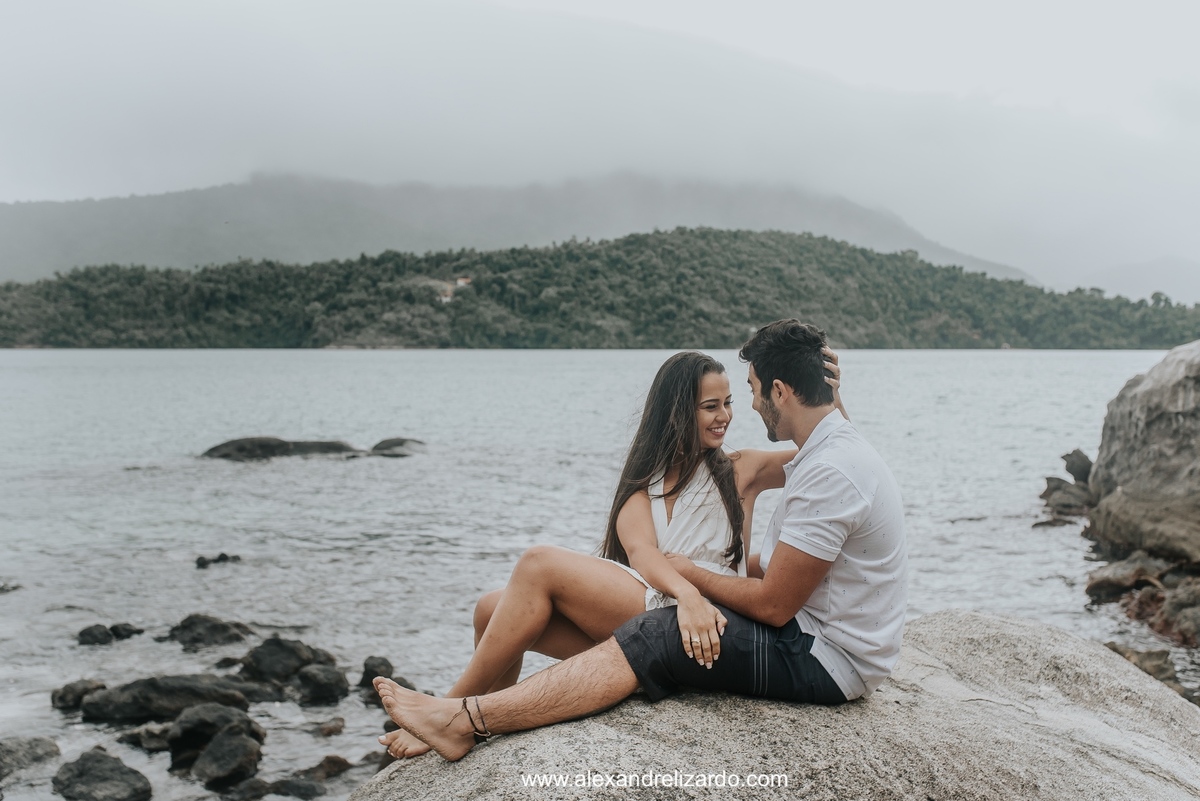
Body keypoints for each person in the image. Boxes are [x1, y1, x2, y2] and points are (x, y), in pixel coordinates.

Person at [375, 320, 908, 762]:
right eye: (711, 406)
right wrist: (690, 593)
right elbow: (646, 557)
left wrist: (830, 400)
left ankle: (449, 711)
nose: (729, 413)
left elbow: (826, 455)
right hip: (670, 598)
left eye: (735, 397)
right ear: (679, 412)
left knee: (537, 564)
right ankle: (471, 724)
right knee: (491, 609)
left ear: (778, 391)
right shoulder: (642, 491)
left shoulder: (741, 470)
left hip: (699, 610)